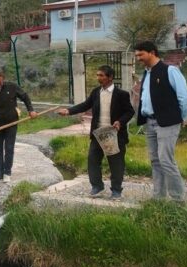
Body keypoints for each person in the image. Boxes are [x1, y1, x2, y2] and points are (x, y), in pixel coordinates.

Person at [57, 65, 135, 199]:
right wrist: (68, 111)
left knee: (116, 163)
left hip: (113, 135)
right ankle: (97, 186)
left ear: (110, 77)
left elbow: (130, 112)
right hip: (98, 133)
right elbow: (85, 105)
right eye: (98, 75)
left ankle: (116, 190)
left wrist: (120, 122)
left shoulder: (121, 94)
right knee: (92, 160)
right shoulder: (96, 92)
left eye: (101, 75)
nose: (98, 78)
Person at [134, 41, 187, 201]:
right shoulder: (147, 73)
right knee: (155, 161)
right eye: (137, 55)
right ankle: (158, 197)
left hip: (167, 122)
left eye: (141, 54)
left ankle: (178, 200)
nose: (138, 58)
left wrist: (182, 117)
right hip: (150, 123)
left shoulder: (170, 70)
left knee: (166, 160)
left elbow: (184, 97)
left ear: (152, 52)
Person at [0, 68, 37, 184]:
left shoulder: (12, 87)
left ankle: (7, 173)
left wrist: (31, 110)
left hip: (11, 123)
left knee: (9, 148)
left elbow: (25, 96)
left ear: (1, 77)